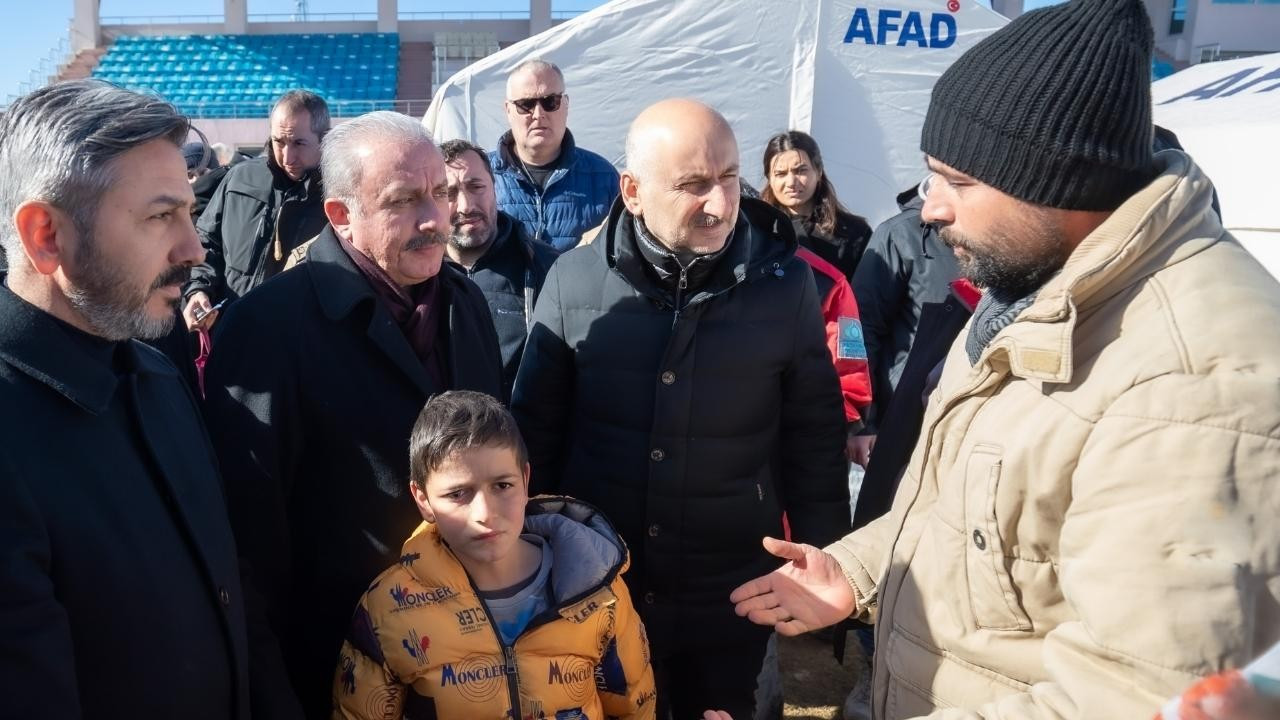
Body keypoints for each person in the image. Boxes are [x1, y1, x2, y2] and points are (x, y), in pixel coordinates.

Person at [730, 2, 1280, 719]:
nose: (929, 208)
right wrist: (858, 569)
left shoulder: (1192, 384)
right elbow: (959, 504)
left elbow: (1128, 698)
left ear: (1058, 184)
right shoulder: (1028, 290)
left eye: (956, 181)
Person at [512, 98, 849, 720]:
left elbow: (815, 435)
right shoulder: (573, 282)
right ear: (633, 192)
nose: (720, 204)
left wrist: (828, 557)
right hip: (602, 591)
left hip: (735, 594)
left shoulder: (786, 287)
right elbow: (537, 433)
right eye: (693, 185)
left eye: (728, 177)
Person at [202, 111, 504, 718]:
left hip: (468, 659)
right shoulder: (266, 329)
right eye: (404, 200)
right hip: (333, 667)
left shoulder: (466, 303)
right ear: (341, 215)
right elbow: (247, 545)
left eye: (440, 194)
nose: (433, 218)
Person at [0, 79, 252, 719]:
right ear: (47, 236)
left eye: (191, 214)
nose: (193, 250)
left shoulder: (155, 375)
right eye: (160, 216)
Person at [333, 390, 655, 720]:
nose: (485, 512)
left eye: (502, 485)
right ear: (423, 499)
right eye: (458, 493)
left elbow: (634, 708)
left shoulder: (600, 590)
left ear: (526, 479)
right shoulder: (387, 607)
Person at [183, 90, 331, 330]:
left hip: (297, 346)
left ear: (324, 139)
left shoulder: (339, 197)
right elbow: (206, 240)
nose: (287, 156)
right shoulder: (239, 177)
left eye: (299, 143)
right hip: (228, 332)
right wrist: (199, 289)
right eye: (279, 142)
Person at [441, 139, 559, 399]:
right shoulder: (418, 276)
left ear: (495, 188)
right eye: (449, 193)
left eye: (476, 187)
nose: (466, 206)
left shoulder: (548, 268)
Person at [489, 59, 619, 252]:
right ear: (508, 110)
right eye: (526, 104)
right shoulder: (481, 176)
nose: (538, 114)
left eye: (550, 102)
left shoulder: (603, 176)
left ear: (565, 105)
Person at [761, 130, 873, 282]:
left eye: (801, 171)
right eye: (780, 174)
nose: (791, 182)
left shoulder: (855, 233)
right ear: (770, 178)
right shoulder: (757, 232)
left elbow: (865, 297)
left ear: (818, 171)